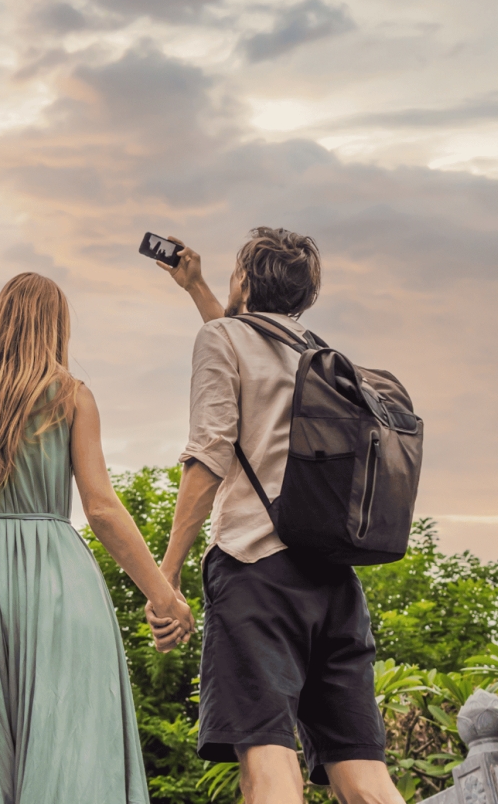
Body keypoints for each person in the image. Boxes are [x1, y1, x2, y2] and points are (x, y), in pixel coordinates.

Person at [0, 272, 195, 804]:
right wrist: (163, 596)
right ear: (55, 328)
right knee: (70, 751)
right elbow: (101, 509)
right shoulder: (72, 397)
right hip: (59, 585)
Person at [147, 228, 402, 804]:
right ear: (306, 294)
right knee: (364, 776)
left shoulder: (223, 339)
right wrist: (197, 289)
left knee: (268, 763)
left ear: (244, 280)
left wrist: (167, 572)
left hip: (257, 575)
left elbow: (211, 454)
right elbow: (247, 348)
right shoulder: (322, 357)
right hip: (335, 583)